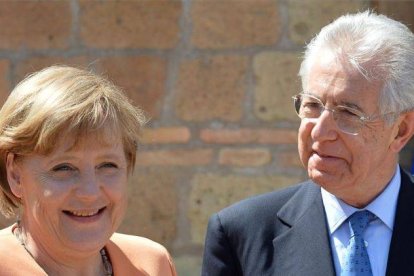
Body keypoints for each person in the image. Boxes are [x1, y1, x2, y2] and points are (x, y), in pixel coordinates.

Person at [202, 11, 414, 276]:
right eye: (312, 105)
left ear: (400, 130)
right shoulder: (242, 234)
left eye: (348, 112)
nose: (320, 131)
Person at [0, 65, 177, 275]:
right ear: (15, 174)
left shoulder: (152, 265)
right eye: (63, 168)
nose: (90, 192)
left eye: (107, 165)